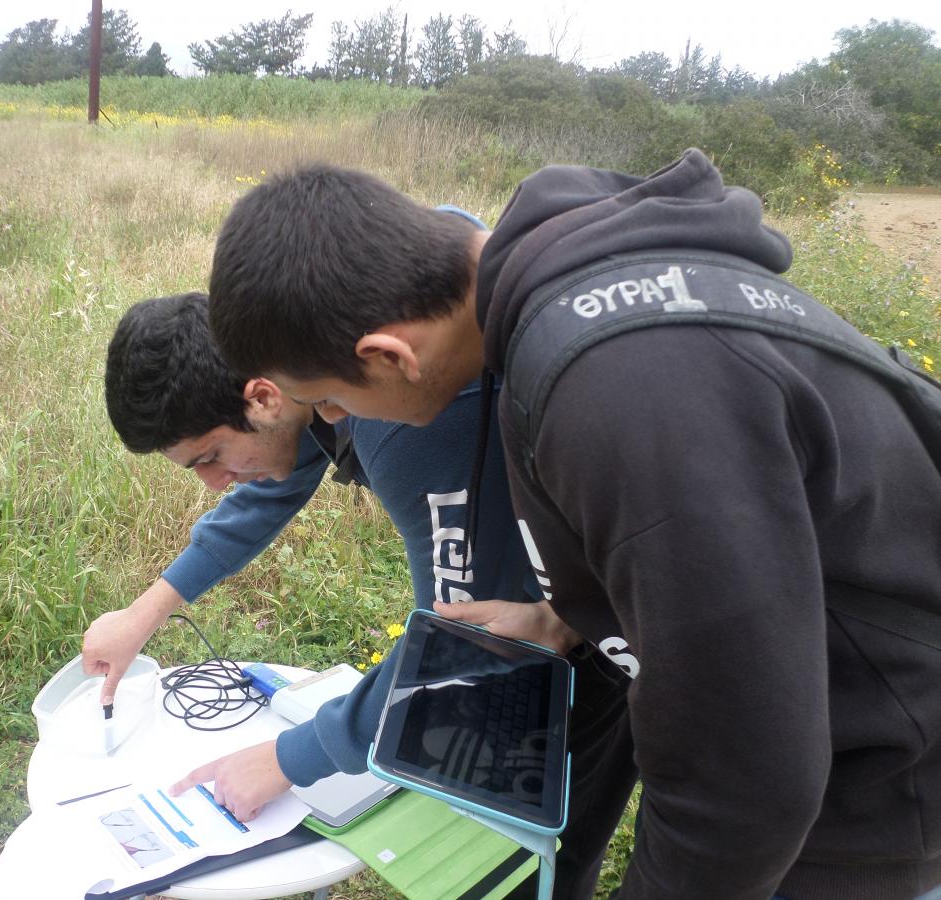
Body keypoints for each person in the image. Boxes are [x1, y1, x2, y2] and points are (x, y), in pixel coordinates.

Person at [206, 151, 941, 900]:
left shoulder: (623, 390)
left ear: (389, 356)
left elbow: (742, 773)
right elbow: (727, 550)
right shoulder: (543, 300)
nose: (333, 419)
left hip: (879, 784)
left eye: (328, 399)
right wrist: (565, 614)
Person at [83, 288, 567, 824]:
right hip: (546, 605)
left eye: (212, 456)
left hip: (592, 606)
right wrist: (142, 615)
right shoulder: (307, 381)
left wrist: (288, 759)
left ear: (262, 398)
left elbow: (457, 639)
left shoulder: (401, 426)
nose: (214, 483)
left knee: (555, 812)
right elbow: (271, 489)